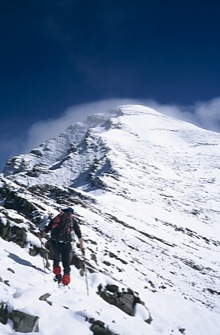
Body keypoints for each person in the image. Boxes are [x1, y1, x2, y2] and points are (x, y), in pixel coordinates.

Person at [41, 207, 85, 286]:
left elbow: (48, 228)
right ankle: (65, 281)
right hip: (66, 243)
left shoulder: (57, 218)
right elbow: (79, 235)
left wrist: (42, 235)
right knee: (66, 262)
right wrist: (82, 248)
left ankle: (57, 276)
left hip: (55, 242)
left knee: (56, 259)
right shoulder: (72, 221)